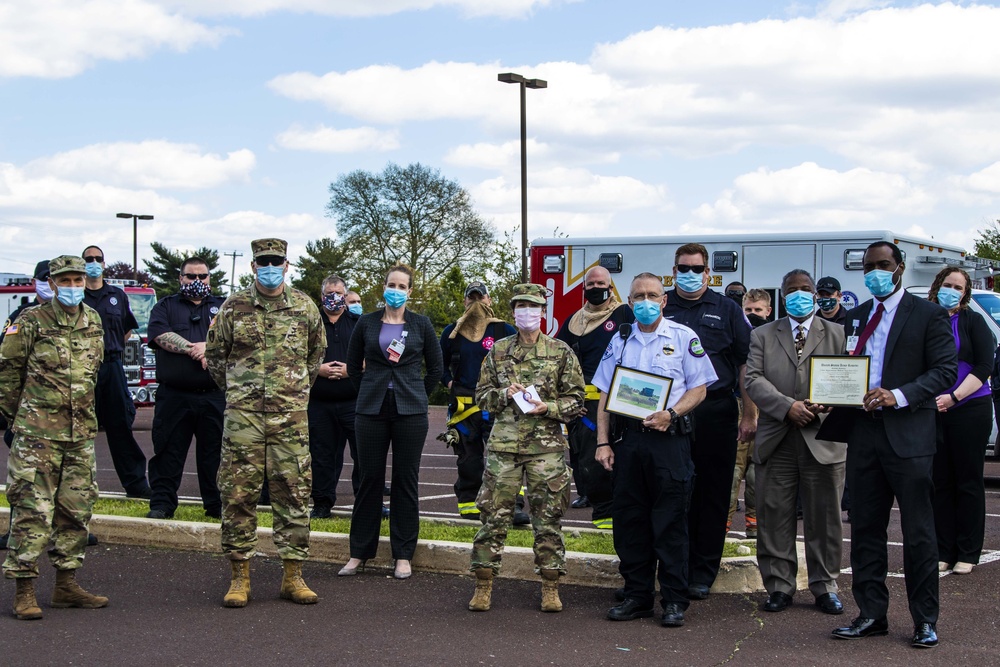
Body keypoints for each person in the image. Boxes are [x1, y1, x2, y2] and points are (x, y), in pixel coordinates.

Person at [824, 241, 956, 649]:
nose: (875, 272)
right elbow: (848, 368)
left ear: (899, 268)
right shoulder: (859, 315)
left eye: (883, 265)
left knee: (918, 533)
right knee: (865, 529)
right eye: (868, 267)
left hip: (909, 435)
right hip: (864, 434)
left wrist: (896, 395)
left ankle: (924, 620)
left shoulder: (929, 314)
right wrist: (832, 391)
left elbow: (945, 371)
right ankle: (870, 614)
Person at [205, 238, 326, 608]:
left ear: (286, 265)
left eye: (276, 261)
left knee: (294, 492)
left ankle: (293, 576)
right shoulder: (233, 307)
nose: (270, 267)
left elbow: (314, 356)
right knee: (238, 493)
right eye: (263, 262)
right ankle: (240, 576)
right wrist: (242, 393)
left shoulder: (305, 306)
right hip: (244, 419)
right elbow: (215, 358)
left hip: (289, 417)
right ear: (254, 266)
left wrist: (289, 394)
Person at [597, 272, 717, 627]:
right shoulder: (619, 339)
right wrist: (603, 441)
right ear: (629, 302)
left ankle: (674, 600)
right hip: (629, 441)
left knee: (671, 522)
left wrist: (671, 413)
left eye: (652, 295)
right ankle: (637, 596)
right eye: (638, 296)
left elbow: (699, 389)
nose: (645, 302)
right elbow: (604, 393)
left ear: (664, 301)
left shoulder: (683, 337)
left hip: (669, 440)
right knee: (630, 521)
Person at [0, 255, 108, 620]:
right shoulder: (30, 321)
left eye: (80, 280)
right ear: (53, 282)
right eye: (67, 280)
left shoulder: (92, 320)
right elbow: (7, 373)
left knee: (76, 509)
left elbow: (93, 373)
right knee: (33, 511)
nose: (75, 286)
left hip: (79, 434)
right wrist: (17, 419)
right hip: (38, 434)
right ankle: (24, 589)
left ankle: (66, 584)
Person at [468, 283, 584, 613]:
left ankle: (550, 586)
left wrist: (548, 407)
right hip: (505, 446)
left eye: (533, 307)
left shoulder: (560, 351)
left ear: (543, 312)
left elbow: (577, 400)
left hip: (546, 449)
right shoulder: (498, 350)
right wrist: (504, 394)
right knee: (493, 517)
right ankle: (483, 584)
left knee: (548, 520)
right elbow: (481, 397)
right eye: (521, 307)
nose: (527, 313)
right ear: (513, 311)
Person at [745, 270, 847, 616]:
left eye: (805, 290)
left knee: (826, 517)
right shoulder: (762, 334)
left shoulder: (837, 333)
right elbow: (753, 379)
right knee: (774, 514)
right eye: (792, 290)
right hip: (777, 436)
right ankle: (778, 585)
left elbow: (845, 378)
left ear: (815, 294)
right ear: (782, 296)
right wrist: (787, 406)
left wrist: (827, 402)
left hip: (823, 437)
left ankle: (825, 585)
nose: (799, 295)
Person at [661, 243, 755, 600]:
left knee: (713, 494)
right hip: (669, 414)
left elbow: (745, 363)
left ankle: (703, 571)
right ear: (674, 269)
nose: (689, 274)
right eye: (683, 268)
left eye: (696, 268)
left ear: (707, 272)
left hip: (715, 412)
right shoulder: (661, 305)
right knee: (671, 492)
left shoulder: (727, 309)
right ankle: (674, 566)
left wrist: (749, 413)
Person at [340, 265, 443, 580]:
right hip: (371, 409)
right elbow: (354, 366)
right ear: (383, 287)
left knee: (405, 481)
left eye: (402, 286)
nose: (395, 290)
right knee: (369, 479)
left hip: (410, 411)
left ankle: (403, 555)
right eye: (391, 285)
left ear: (410, 291)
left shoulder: (421, 324)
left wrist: (417, 397)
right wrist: (369, 392)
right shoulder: (367, 323)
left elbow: (436, 370)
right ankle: (359, 552)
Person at [145, 257, 226, 520]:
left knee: (215, 455)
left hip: (214, 395)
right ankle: (162, 504)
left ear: (209, 279)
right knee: (168, 451)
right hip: (174, 396)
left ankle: (216, 505)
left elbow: (237, 340)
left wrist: (209, 347)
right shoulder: (165, 306)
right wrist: (195, 348)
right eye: (191, 276)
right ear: (181, 278)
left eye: (202, 276)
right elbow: (159, 335)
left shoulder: (224, 308)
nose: (197, 281)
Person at [555, 266, 635, 529]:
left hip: (624, 400)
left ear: (611, 287)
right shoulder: (574, 321)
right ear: (584, 288)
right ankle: (604, 515)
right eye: (591, 284)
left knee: (627, 457)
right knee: (590, 458)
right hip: (587, 405)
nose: (596, 288)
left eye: (601, 283)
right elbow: (558, 357)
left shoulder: (625, 313)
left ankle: (623, 511)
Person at [927, 267, 992, 576]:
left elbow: (984, 365)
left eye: (958, 286)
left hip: (970, 408)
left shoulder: (973, 321)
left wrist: (953, 398)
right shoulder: (925, 318)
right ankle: (943, 549)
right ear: (937, 285)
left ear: (965, 292)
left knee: (967, 480)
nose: (951, 290)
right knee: (940, 481)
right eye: (947, 284)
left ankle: (968, 550)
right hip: (933, 410)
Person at [439, 281, 517, 521]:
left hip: (497, 405)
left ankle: (511, 507)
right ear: (464, 302)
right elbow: (439, 366)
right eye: (471, 298)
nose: (476, 303)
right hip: (464, 407)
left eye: (480, 298)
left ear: (489, 301)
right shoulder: (452, 332)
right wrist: (450, 383)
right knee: (468, 459)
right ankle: (469, 504)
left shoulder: (504, 330)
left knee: (505, 458)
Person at [81, 245, 151, 498]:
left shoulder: (116, 295)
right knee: (78, 427)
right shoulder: (75, 295)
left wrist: (109, 348)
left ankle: (135, 484)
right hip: (81, 369)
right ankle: (78, 488)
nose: (93, 262)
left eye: (98, 259)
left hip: (111, 365)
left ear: (104, 263)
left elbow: (126, 329)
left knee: (120, 425)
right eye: (88, 259)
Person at [308, 274, 361, 519]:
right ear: (321, 297)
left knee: (363, 454)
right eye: (329, 293)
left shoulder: (359, 322)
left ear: (346, 294)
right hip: (320, 402)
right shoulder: (310, 322)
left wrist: (352, 369)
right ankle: (321, 503)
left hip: (354, 401)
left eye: (338, 293)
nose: (334, 298)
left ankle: (366, 502)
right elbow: (296, 356)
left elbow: (373, 355)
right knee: (322, 456)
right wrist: (317, 368)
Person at [727, 288, 772, 537]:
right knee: (733, 471)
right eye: (749, 310)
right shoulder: (737, 335)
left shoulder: (776, 337)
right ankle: (721, 526)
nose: (753, 314)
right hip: (738, 406)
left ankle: (755, 525)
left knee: (758, 474)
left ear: (768, 311)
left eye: (758, 310)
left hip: (767, 409)